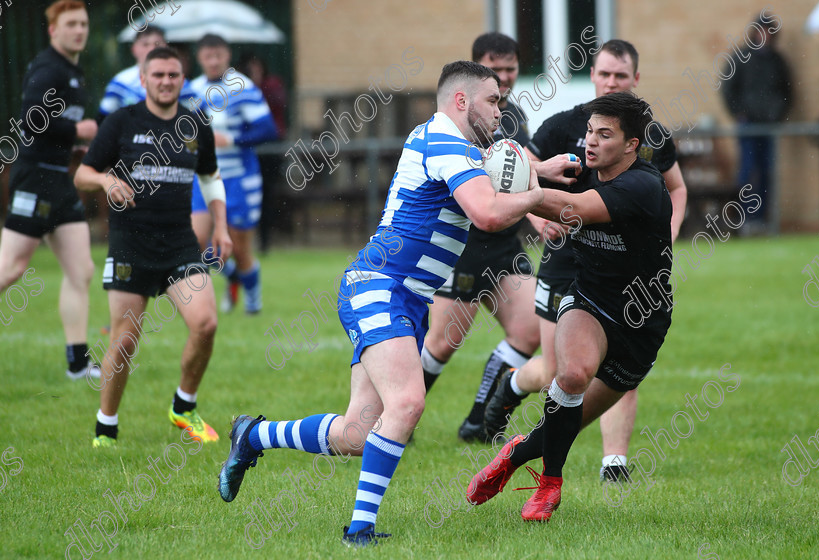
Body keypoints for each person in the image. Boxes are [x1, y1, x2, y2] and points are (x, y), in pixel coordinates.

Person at [217, 61, 578, 547]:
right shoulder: (447, 143)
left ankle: (252, 436)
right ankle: (359, 532)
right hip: (379, 286)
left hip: (405, 296)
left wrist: (537, 167)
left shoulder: (452, 142)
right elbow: (489, 213)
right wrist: (540, 191)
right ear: (461, 102)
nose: (502, 109)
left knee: (356, 434)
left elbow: (488, 172)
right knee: (407, 402)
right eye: (493, 100)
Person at [483, 40, 687, 482]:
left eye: (604, 135)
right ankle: (562, 480)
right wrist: (513, 180)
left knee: (568, 417)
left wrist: (510, 191)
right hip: (583, 283)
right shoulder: (566, 131)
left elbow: (571, 207)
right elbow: (537, 176)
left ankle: (517, 450)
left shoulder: (642, 181)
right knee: (568, 374)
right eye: (591, 133)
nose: (590, 141)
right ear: (592, 74)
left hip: (640, 311)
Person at [74, 47, 232, 447]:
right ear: (143, 79)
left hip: (180, 242)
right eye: (158, 74)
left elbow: (211, 177)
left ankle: (184, 407)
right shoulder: (121, 122)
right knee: (125, 340)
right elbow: (82, 173)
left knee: (206, 324)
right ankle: (105, 426)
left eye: (173, 75)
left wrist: (222, 228)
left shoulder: (195, 124)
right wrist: (106, 181)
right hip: (131, 243)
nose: (166, 81)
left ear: (183, 79)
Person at [421, 32, 550, 443]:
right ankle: (395, 415)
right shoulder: (459, 121)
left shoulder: (514, 117)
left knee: (529, 330)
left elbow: (516, 173)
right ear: (475, 70)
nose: (506, 77)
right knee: (442, 344)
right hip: (464, 245)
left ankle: (479, 418)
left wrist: (538, 213)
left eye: (512, 68)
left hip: (505, 244)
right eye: (497, 69)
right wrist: (541, 176)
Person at [0, 0, 100, 380]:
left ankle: (77, 364)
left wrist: (73, 145)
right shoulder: (48, 68)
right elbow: (30, 120)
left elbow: (52, 127)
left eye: (84, 23)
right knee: (10, 268)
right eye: (71, 23)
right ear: (52, 30)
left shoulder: (73, 71)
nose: (80, 30)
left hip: (60, 180)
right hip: (35, 178)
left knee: (82, 270)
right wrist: (78, 132)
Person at [190, 34, 277, 314]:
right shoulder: (192, 91)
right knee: (196, 243)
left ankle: (252, 295)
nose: (214, 61)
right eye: (208, 56)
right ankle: (233, 279)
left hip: (239, 178)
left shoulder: (242, 87)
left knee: (239, 249)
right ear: (200, 59)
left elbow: (268, 129)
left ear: (226, 56)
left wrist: (233, 139)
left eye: (218, 55)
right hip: (204, 178)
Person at [721, 15, 792, 234]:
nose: (765, 35)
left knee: (767, 170)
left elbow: (787, 92)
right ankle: (747, 218)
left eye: (769, 31)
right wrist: (739, 113)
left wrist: (778, 113)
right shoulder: (741, 57)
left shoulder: (777, 60)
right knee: (749, 170)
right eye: (761, 30)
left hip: (769, 126)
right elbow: (728, 89)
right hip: (748, 126)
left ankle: (764, 219)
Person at [238, 52, 288, 251]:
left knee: (267, 196)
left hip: (269, 152)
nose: (255, 72)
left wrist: (258, 86)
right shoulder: (238, 89)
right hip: (247, 152)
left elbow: (276, 109)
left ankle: (265, 241)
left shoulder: (271, 85)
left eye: (258, 68)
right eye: (251, 69)